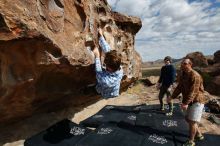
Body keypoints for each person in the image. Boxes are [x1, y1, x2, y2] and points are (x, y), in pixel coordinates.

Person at [167, 58, 205, 146]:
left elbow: (194, 91)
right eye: (182, 64)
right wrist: (172, 97)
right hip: (188, 100)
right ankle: (198, 134)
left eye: (185, 63)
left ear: (190, 64)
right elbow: (179, 87)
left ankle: (191, 141)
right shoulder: (183, 74)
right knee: (188, 119)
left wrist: (186, 103)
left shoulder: (195, 75)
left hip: (197, 101)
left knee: (192, 122)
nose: (182, 65)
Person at [91, 29, 123, 98]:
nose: (105, 64)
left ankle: (91, 91)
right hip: (113, 88)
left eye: (106, 65)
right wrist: (101, 36)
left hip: (108, 92)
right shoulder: (118, 67)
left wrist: (97, 56)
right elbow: (108, 50)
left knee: (95, 90)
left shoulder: (107, 81)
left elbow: (98, 72)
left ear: (110, 69)